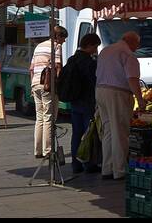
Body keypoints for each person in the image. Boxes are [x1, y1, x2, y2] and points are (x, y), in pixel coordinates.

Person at [96, 31, 145, 180]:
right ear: (131, 42)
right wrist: (140, 99)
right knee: (120, 132)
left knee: (109, 131)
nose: (138, 47)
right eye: (137, 43)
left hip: (100, 91)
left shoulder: (106, 50)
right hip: (117, 93)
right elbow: (132, 80)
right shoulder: (128, 55)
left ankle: (107, 168)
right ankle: (119, 170)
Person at [59, 32, 101, 175]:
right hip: (87, 101)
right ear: (89, 45)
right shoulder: (89, 63)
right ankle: (89, 164)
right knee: (88, 134)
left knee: (76, 133)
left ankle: (76, 164)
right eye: (95, 47)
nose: (96, 50)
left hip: (74, 102)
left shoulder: (72, 59)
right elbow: (93, 82)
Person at [28, 25, 68, 159]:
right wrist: (59, 84)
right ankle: (48, 150)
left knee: (39, 118)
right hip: (47, 85)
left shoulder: (38, 46)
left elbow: (31, 69)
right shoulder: (56, 46)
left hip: (35, 84)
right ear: (58, 36)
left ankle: (37, 150)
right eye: (63, 38)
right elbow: (57, 67)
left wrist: (31, 86)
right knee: (49, 118)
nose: (64, 41)